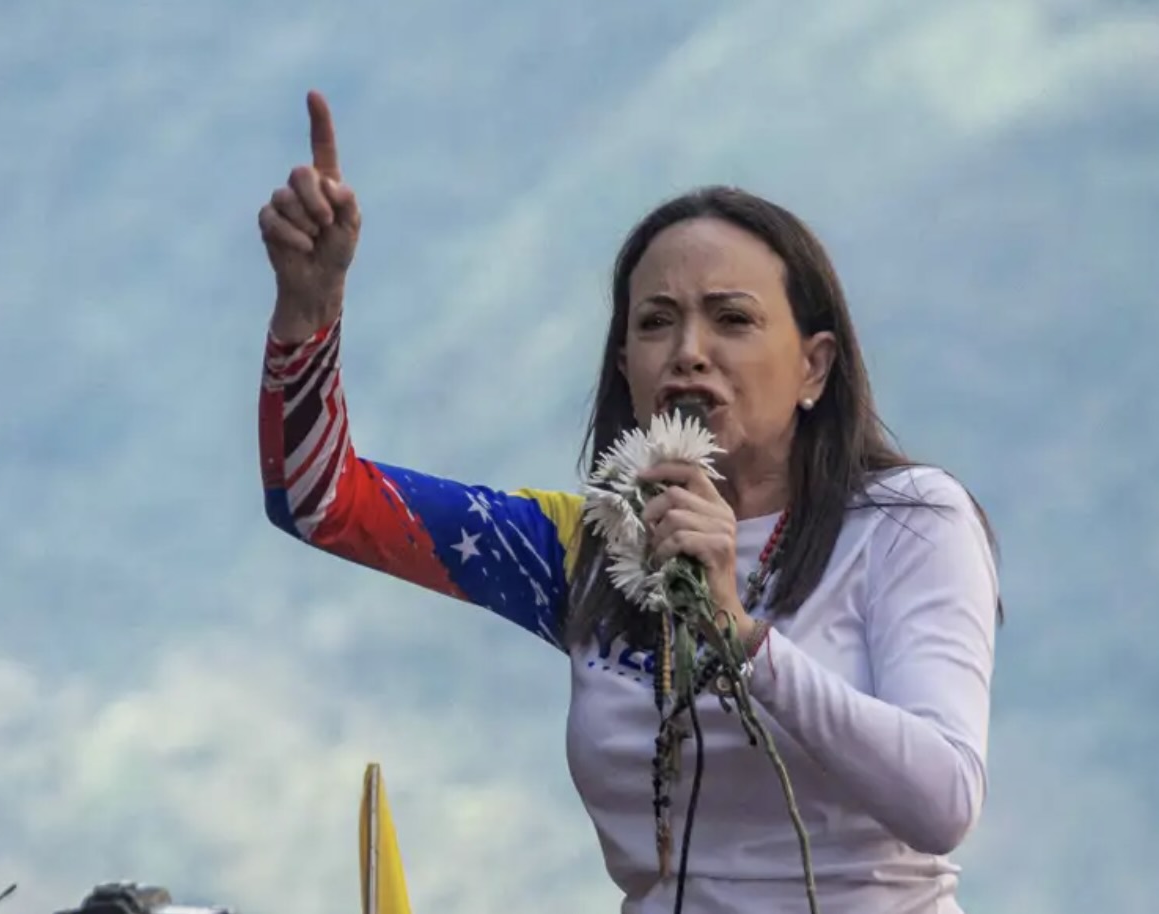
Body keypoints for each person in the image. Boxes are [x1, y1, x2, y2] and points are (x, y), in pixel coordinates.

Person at [258, 91, 1001, 914]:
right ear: (624, 365)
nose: (689, 352)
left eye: (732, 320)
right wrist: (309, 310)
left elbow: (943, 801)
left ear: (814, 367)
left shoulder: (907, 521)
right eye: (655, 323)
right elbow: (320, 499)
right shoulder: (586, 547)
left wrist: (743, 638)